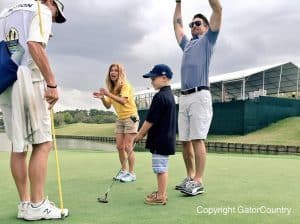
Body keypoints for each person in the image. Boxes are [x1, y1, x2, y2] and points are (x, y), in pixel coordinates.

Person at [0, 0, 68, 220]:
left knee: (18, 146)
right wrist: (52, 83)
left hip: (6, 81)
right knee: (42, 143)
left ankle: (25, 204)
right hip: (29, 79)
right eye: (57, 13)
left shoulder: (5, 11)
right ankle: (38, 205)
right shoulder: (42, 11)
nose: (54, 18)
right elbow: (34, 44)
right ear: (51, 3)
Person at [173, 0, 222, 196]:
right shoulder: (187, 44)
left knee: (197, 139)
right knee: (184, 140)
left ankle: (199, 181)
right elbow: (176, 24)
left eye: (198, 23)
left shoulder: (208, 40)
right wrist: (178, 3)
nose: (194, 26)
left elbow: (218, 9)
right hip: (183, 98)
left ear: (207, 27)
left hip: (200, 95)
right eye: (192, 24)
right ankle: (191, 177)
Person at [135, 64, 176, 205]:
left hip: (161, 139)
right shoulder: (169, 95)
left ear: (164, 78)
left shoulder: (160, 97)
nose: (151, 81)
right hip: (165, 138)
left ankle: (161, 196)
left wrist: (140, 134)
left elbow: (150, 120)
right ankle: (161, 192)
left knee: (160, 169)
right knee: (161, 167)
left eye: (153, 78)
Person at [93, 63, 139, 183]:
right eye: (111, 71)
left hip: (131, 117)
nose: (113, 72)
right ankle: (123, 171)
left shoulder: (125, 85)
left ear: (120, 73)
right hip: (120, 119)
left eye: (116, 71)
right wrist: (103, 97)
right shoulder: (112, 89)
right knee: (119, 146)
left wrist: (108, 94)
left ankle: (132, 173)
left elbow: (123, 101)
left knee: (128, 146)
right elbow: (108, 105)